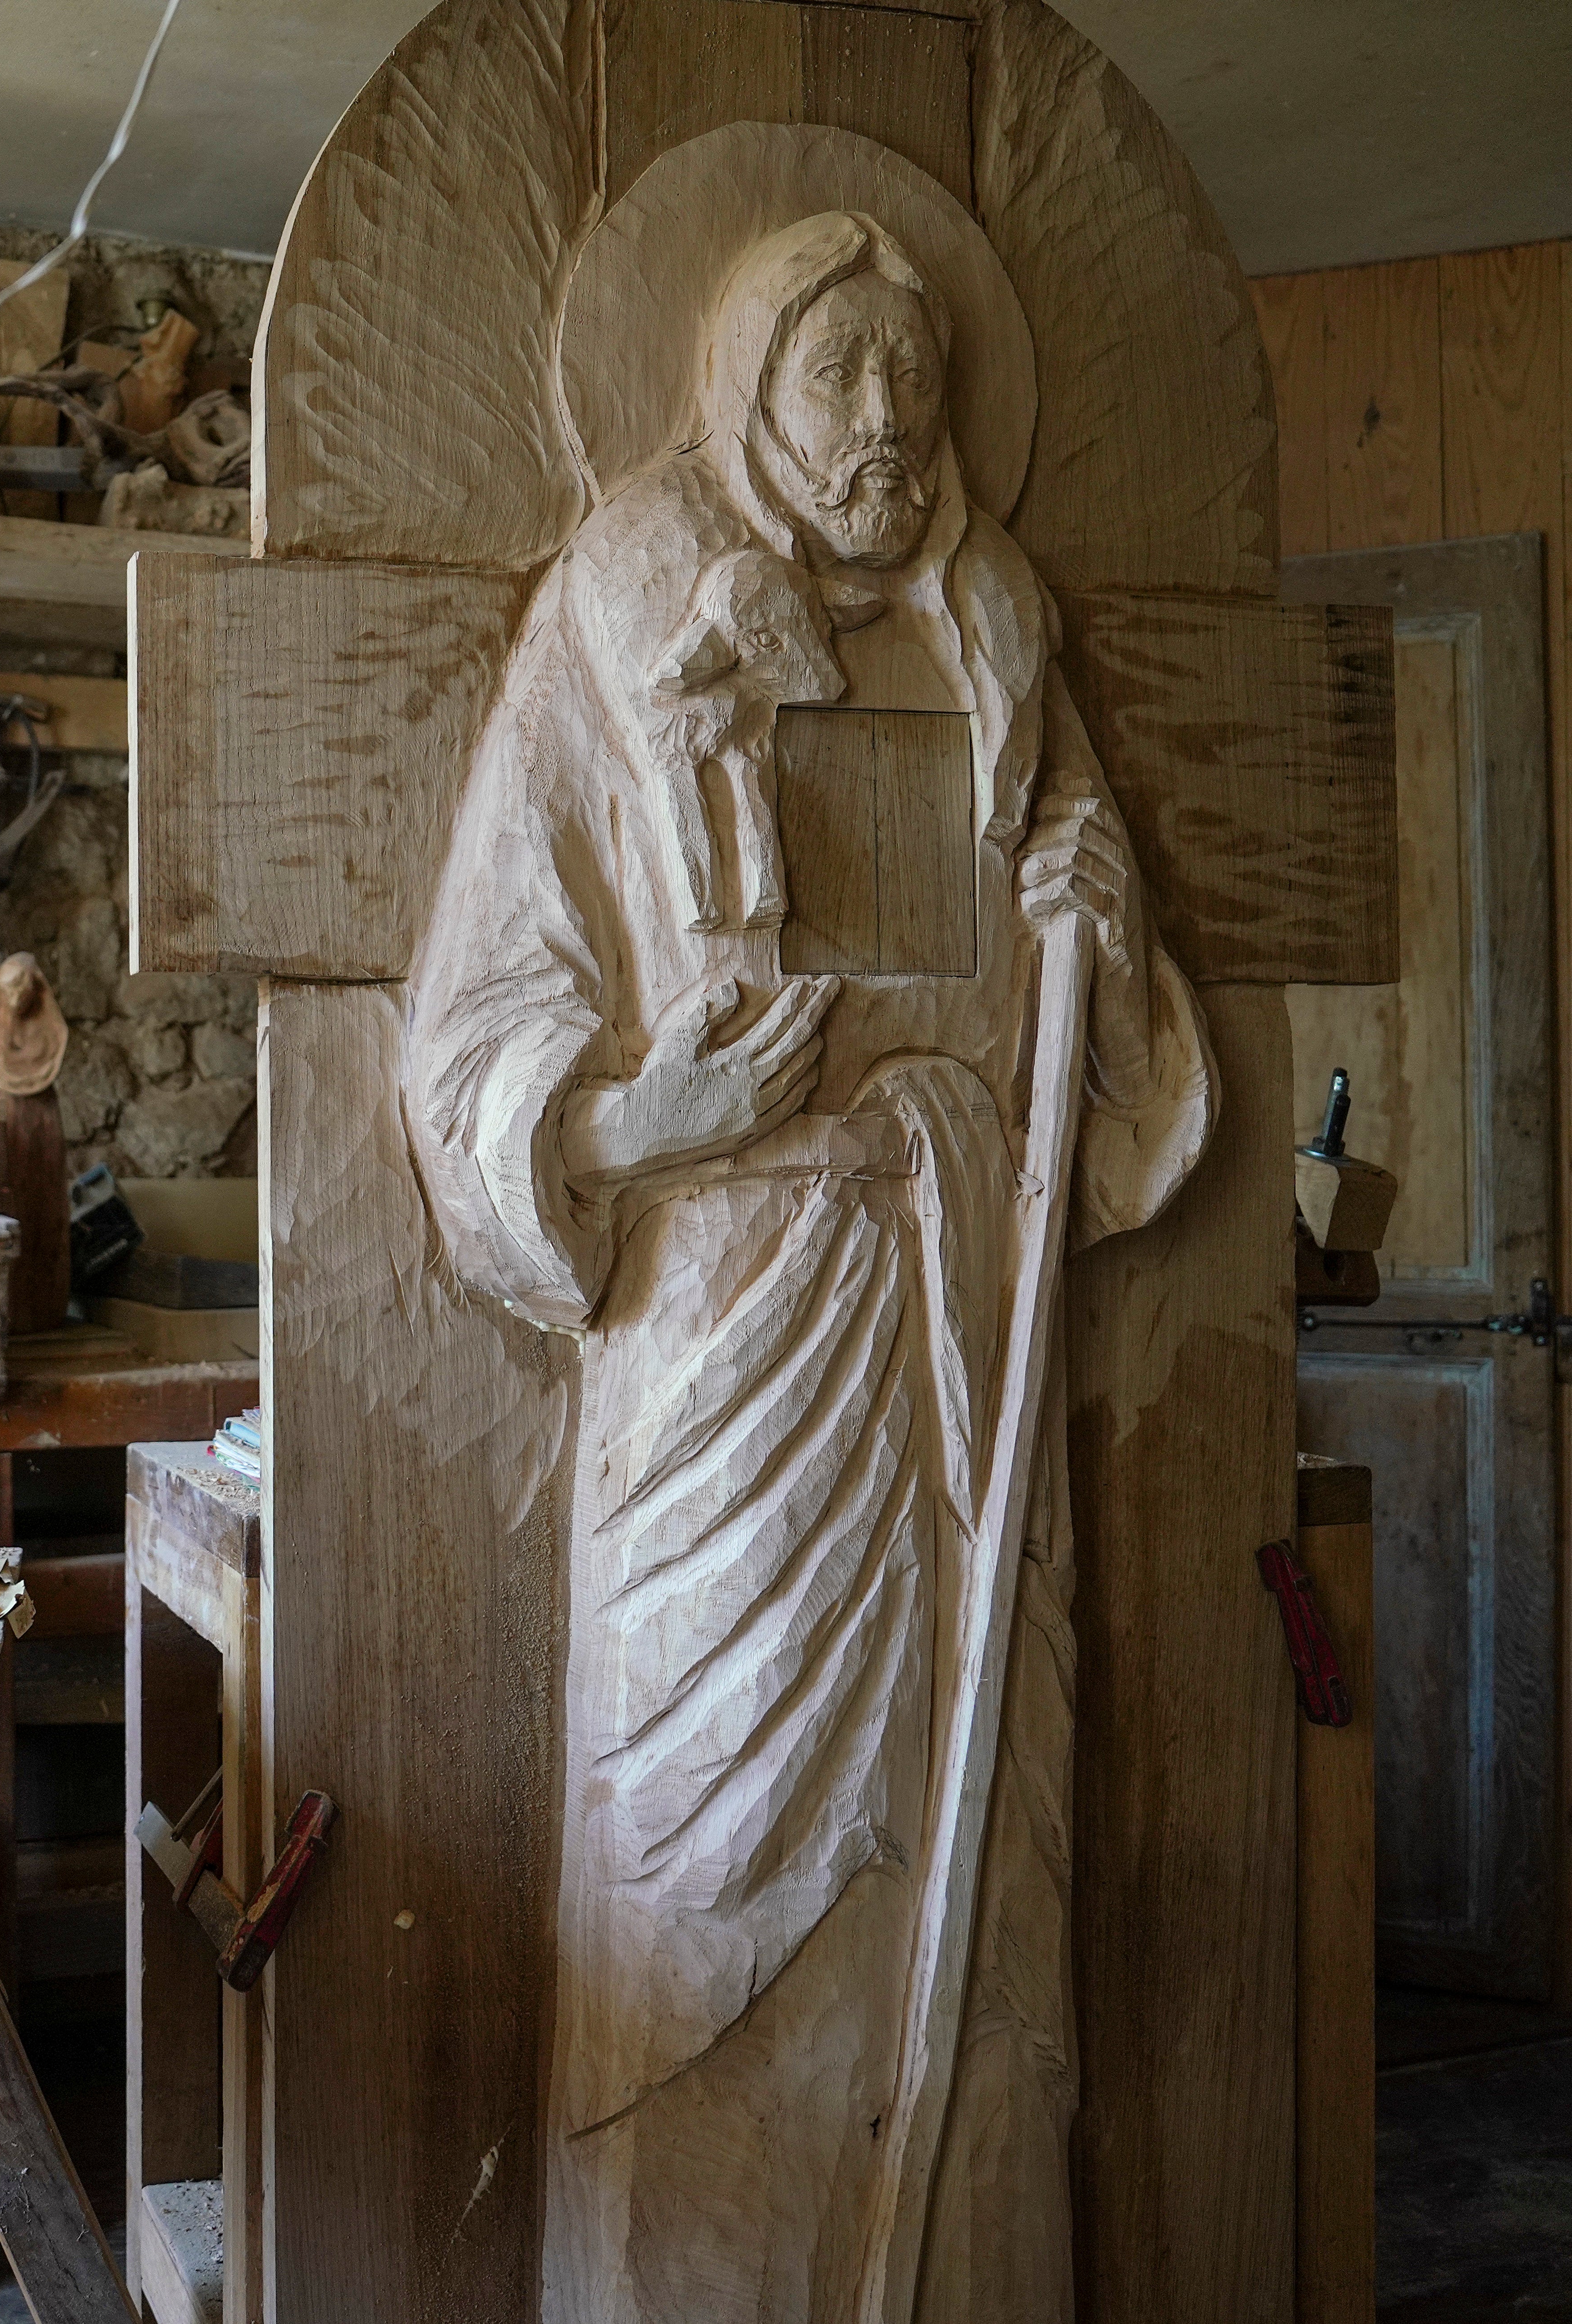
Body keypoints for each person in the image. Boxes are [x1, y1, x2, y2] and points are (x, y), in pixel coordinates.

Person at [401, 209, 1216, 2321]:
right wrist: (636, 1123)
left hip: (958, 1309)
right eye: (842, 373)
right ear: (749, 390)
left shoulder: (993, 621)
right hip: (720, 1334)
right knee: (703, 1840)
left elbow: (1095, 1087)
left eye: (916, 377)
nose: (886, 420)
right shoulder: (615, 612)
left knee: (982, 1858)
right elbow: (478, 1023)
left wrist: (1090, 929)